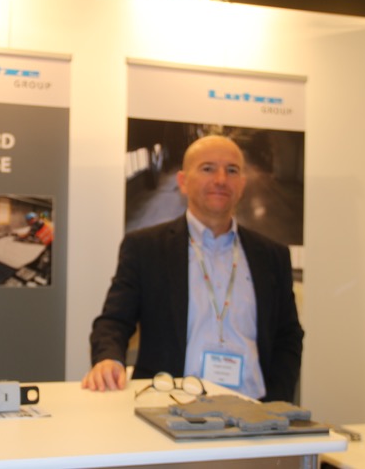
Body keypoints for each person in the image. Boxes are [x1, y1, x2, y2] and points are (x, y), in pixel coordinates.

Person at [81, 135, 304, 403]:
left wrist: (277, 397)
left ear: (242, 185)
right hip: (168, 408)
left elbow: (288, 336)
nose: (221, 179)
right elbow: (114, 321)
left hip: (253, 410)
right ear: (183, 182)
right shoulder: (145, 248)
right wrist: (108, 359)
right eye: (207, 168)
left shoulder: (272, 256)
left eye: (232, 170)